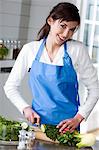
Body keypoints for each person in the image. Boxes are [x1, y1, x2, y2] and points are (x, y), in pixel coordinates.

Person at [4, 2, 99, 133]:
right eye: (63, 26)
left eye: (72, 29)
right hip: (38, 126)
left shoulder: (77, 50)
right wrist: (25, 108)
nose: (66, 34)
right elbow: (10, 87)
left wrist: (78, 118)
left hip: (68, 127)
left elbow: (94, 89)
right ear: (50, 20)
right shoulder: (30, 50)